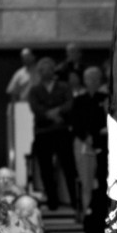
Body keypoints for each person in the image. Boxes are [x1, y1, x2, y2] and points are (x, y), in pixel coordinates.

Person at [28, 57, 76, 211]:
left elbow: (70, 103)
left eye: (48, 69)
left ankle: (74, 201)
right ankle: (52, 202)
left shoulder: (63, 86)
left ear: (53, 70)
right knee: (46, 169)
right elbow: (35, 107)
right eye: (42, 70)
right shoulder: (34, 90)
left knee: (69, 167)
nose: (45, 72)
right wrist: (50, 114)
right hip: (43, 132)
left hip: (62, 131)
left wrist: (58, 111)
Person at [70, 66, 108, 221]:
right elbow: (75, 122)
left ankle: (105, 214)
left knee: (105, 179)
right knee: (86, 181)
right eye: (89, 78)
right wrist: (86, 137)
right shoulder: (79, 100)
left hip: (104, 143)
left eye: (95, 78)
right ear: (84, 81)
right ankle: (87, 213)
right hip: (83, 142)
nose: (92, 81)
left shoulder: (106, 98)